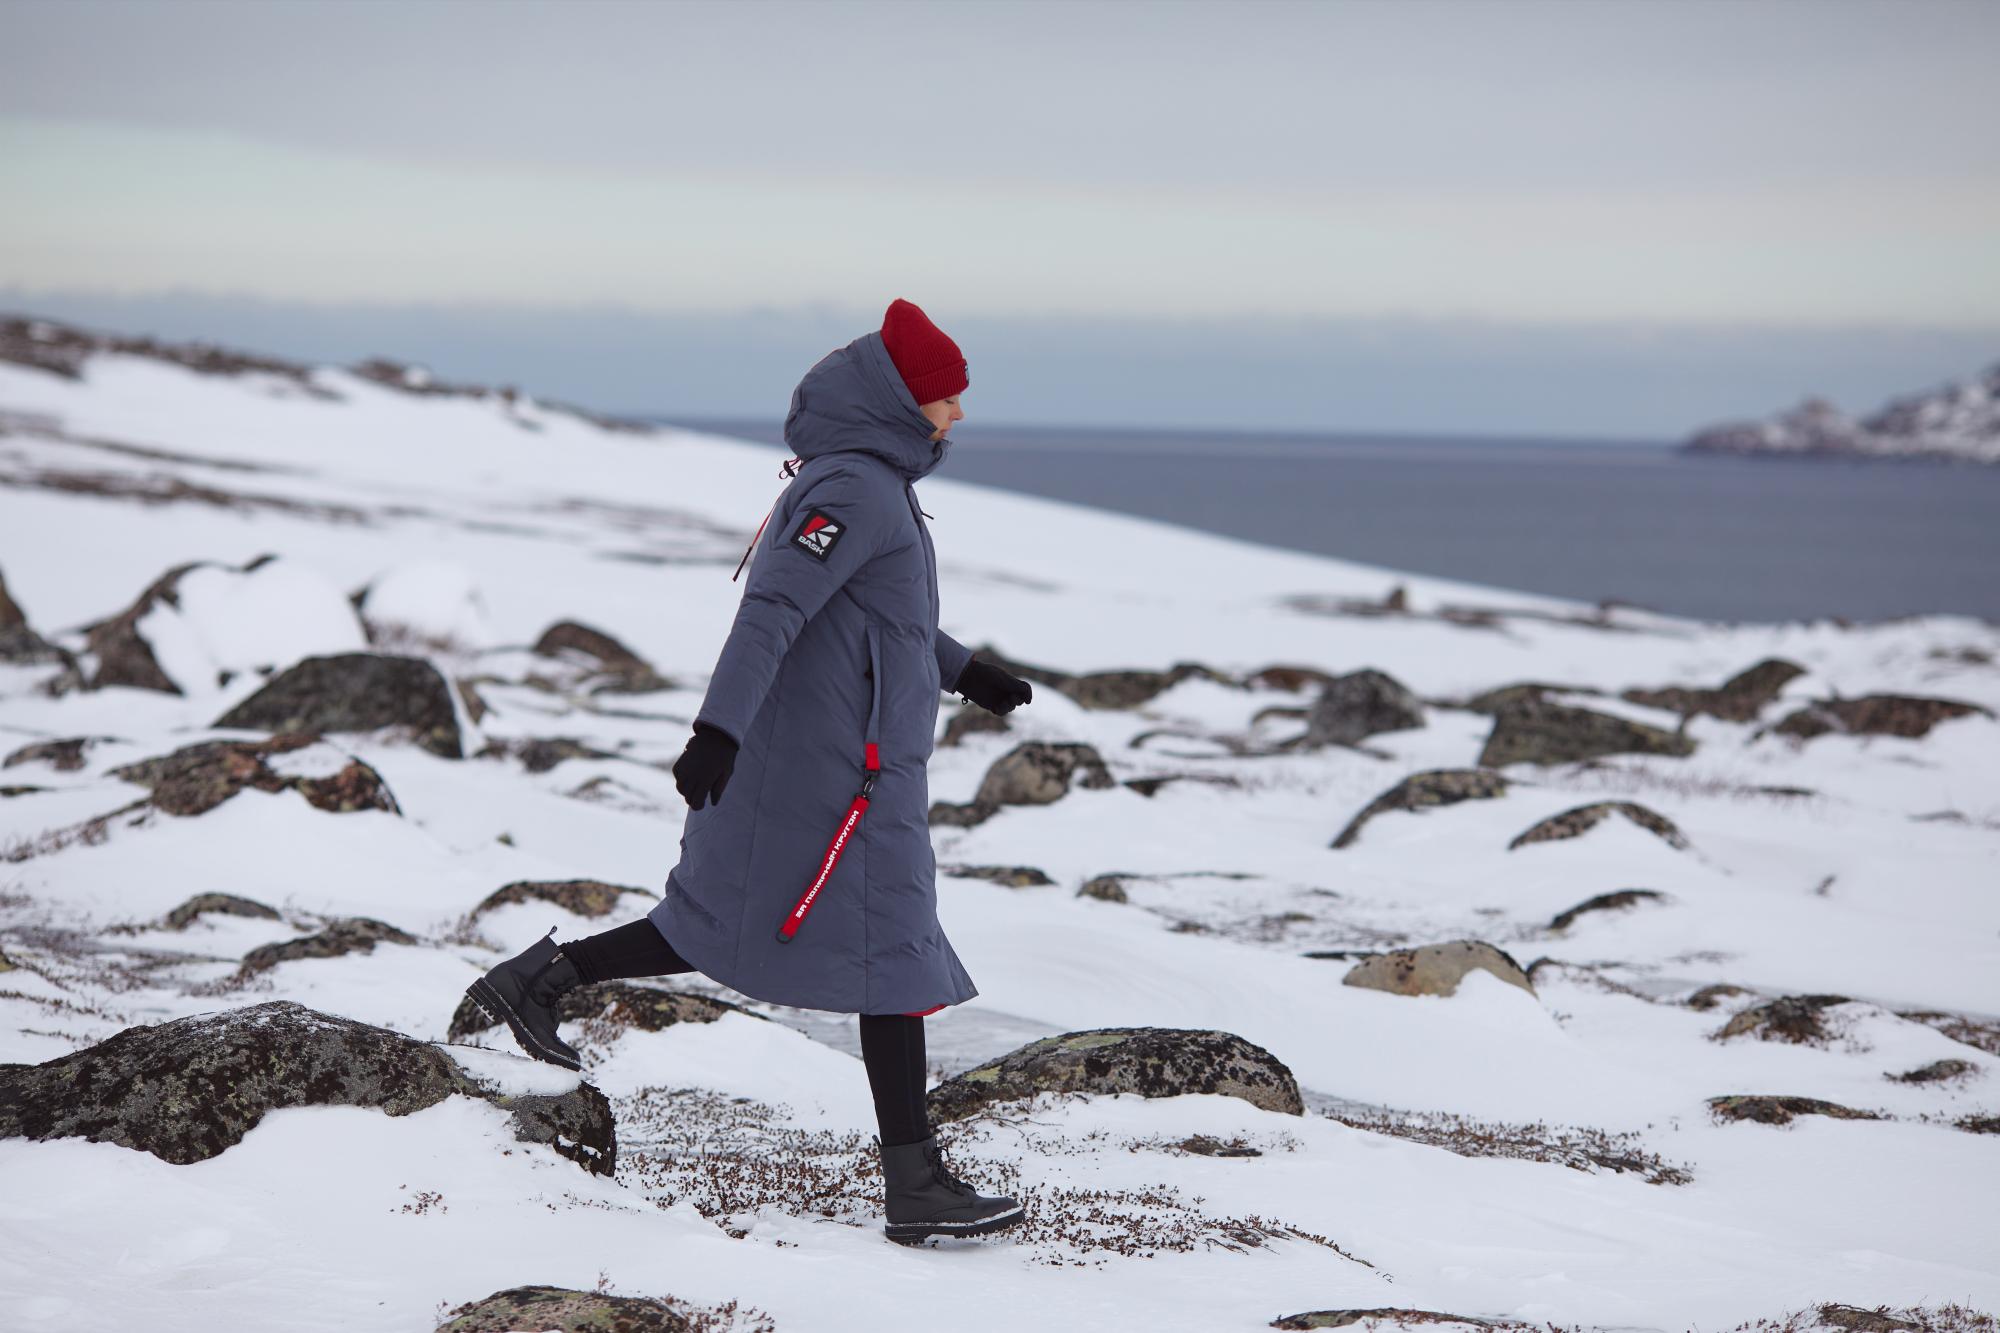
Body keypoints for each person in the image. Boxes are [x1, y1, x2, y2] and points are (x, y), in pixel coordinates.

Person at [466, 297, 1036, 1246]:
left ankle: (538, 980)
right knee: (892, 957)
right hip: (838, 775)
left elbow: (877, 614)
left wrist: (963, 668)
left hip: (842, 764)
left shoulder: (867, 482)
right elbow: (772, 610)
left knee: (728, 921)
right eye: (946, 395)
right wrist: (716, 732)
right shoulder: (854, 489)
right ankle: (914, 1183)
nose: (959, 412)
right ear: (902, 402)